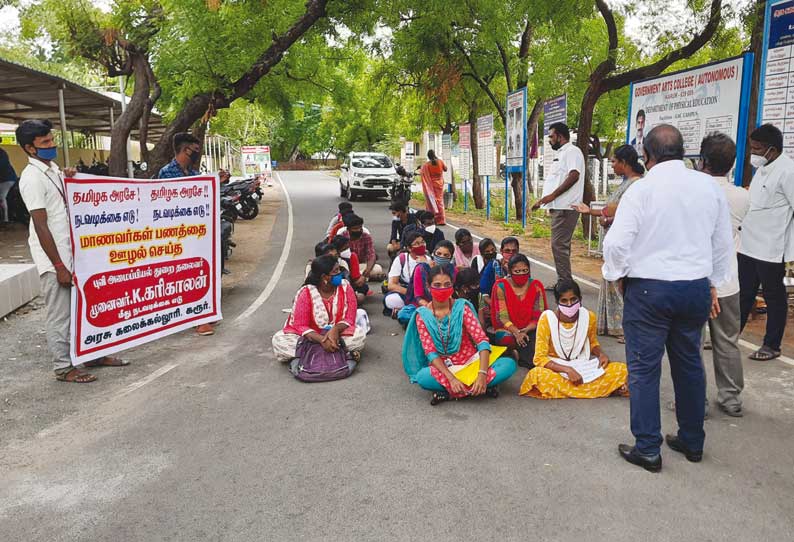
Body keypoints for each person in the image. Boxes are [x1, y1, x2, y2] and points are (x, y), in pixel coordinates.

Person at [603, 124, 734, 472]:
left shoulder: (643, 190)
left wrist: (615, 276)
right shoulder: (708, 187)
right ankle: (692, 440)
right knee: (689, 363)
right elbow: (722, 243)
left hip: (650, 290)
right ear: (684, 151)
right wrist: (713, 283)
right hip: (694, 288)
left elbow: (616, 243)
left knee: (644, 370)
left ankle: (648, 448)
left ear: (648, 156)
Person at [16, 119, 128, 383]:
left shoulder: (52, 169)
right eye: (44, 142)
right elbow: (41, 225)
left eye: (51, 139)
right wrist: (58, 266)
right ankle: (64, 367)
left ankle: (93, 353)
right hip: (55, 259)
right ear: (29, 148)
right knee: (61, 314)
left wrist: (70, 177)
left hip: (74, 253)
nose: (51, 144)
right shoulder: (31, 179)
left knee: (87, 307)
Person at [402, 265, 517, 403]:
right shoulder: (423, 315)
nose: (442, 289)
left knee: (508, 365)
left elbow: (481, 340)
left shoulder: (462, 307)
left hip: (471, 362)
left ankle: (451, 393)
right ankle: (480, 389)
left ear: (452, 286)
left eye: (447, 285)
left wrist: (482, 374)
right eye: (437, 285)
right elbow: (430, 352)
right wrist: (451, 378)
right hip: (445, 368)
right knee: (422, 377)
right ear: (428, 287)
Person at [697, 132, 749, 417]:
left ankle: (696, 402)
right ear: (732, 163)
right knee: (727, 341)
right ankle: (730, 399)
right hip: (728, 281)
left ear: (702, 159)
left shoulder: (694, 191)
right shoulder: (741, 195)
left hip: (694, 280)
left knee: (690, 343)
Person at [574, 144, 645, 341]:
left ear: (624, 163)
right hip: (614, 242)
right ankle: (614, 325)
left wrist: (596, 213)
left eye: (614, 161)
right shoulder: (627, 182)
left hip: (626, 245)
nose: (612, 165)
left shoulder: (636, 184)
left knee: (622, 284)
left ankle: (627, 328)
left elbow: (621, 210)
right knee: (613, 280)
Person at [738, 123, 794, 361]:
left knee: (774, 297)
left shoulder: (788, 170)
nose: (754, 153)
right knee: (743, 293)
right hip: (748, 242)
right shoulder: (763, 167)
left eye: (758, 149)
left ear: (772, 149)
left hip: (771, 246)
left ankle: (772, 344)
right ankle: (730, 336)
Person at [519, 279, 628, 399]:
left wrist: (601, 354)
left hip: (582, 366)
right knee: (537, 375)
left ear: (580, 299)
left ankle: (571, 391)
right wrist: (567, 370)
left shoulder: (588, 317)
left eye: (573, 299)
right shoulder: (547, 319)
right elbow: (539, 358)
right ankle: (604, 389)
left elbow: (592, 343)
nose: (569, 304)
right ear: (557, 302)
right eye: (564, 301)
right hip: (556, 368)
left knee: (622, 369)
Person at [157, 132, 214, 336]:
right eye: (195, 150)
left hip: (196, 234)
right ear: (185, 149)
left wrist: (218, 183)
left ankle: (200, 315)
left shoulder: (193, 174)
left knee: (199, 273)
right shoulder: (167, 173)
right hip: (175, 235)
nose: (197, 154)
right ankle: (194, 318)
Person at [272, 255, 366, 367]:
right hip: (309, 336)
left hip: (338, 334)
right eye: (335, 271)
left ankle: (308, 354)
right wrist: (322, 340)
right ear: (324, 277)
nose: (340, 274)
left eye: (339, 269)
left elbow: (349, 318)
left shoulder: (346, 287)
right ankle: (336, 351)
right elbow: (300, 325)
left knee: (358, 336)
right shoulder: (306, 292)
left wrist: (335, 330)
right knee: (280, 340)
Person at [531, 122, 585, 284]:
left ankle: (565, 283)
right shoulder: (562, 154)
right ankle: (564, 280)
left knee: (559, 246)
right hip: (559, 207)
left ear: (560, 136)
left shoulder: (572, 151)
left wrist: (552, 196)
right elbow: (557, 180)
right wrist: (543, 200)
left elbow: (574, 175)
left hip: (565, 207)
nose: (549, 140)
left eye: (551, 137)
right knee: (559, 246)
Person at [490, 255, 548, 368]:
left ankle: (522, 354)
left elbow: (539, 315)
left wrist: (525, 330)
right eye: (517, 271)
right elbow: (502, 317)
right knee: (506, 339)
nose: (521, 274)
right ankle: (512, 352)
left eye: (525, 270)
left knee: (542, 341)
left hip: (530, 328)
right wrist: (516, 332)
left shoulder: (536, 286)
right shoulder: (500, 286)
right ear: (510, 271)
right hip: (509, 328)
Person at [397, 240, 456, 326]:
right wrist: (431, 308)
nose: (441, 257)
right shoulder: (422, 269)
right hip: (424, 306)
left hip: (445, 306)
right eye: (438, 254)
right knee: (404, 315)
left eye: (446, 255)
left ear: (450, 258)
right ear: (433, 253)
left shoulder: (452, 271)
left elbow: (451, 295)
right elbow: (418, 297)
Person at [384, 230, 428, 315]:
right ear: (409, 248)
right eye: (417, 243)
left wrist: (426, 264)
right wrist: (412, 294)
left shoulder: (429, 260)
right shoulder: (401, 259)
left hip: (424, 294)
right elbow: (391, 285)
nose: (421, 245)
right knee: (390, 300)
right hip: (406, 292)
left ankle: (404, 311)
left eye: (423, 242)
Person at [342, 213, 383, 281]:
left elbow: (371, 255)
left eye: (360, 227)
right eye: (355, 228)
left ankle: (358, 278)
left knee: (378, 268)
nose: (359, 230)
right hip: (348, 266)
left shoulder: (366, 236)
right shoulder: (343, 237)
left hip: (361, 265)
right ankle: (367, 278)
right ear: (348, 229)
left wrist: (367, 270)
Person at [479, 236, 519, 300]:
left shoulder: (522, 267)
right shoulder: (493, 265)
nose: (511, 253)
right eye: (507, 251)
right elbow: (484, 292)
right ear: (501, 251)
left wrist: (510, 272)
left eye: (514, 251)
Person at [332, 234, 369, 303]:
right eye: (345, 248)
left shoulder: (345, 261)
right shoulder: (328, 264)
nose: (347, 250)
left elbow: (355, 278)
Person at [420, 149, 448, 225]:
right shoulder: (440, 162)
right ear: (435, 154)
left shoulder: (427, 165)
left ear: (428, 156)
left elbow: (422, 173)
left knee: (431, 201)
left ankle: (432, 219)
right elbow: (445, 169)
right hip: (439, 184)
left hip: (431, 186)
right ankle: (441, 220)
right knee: (440, 202)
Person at [0, 138, 18, 223]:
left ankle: (5, 219)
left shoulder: (2, 153)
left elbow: (2, 167)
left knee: (1, 197)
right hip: (3, 179)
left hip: (7, 179)